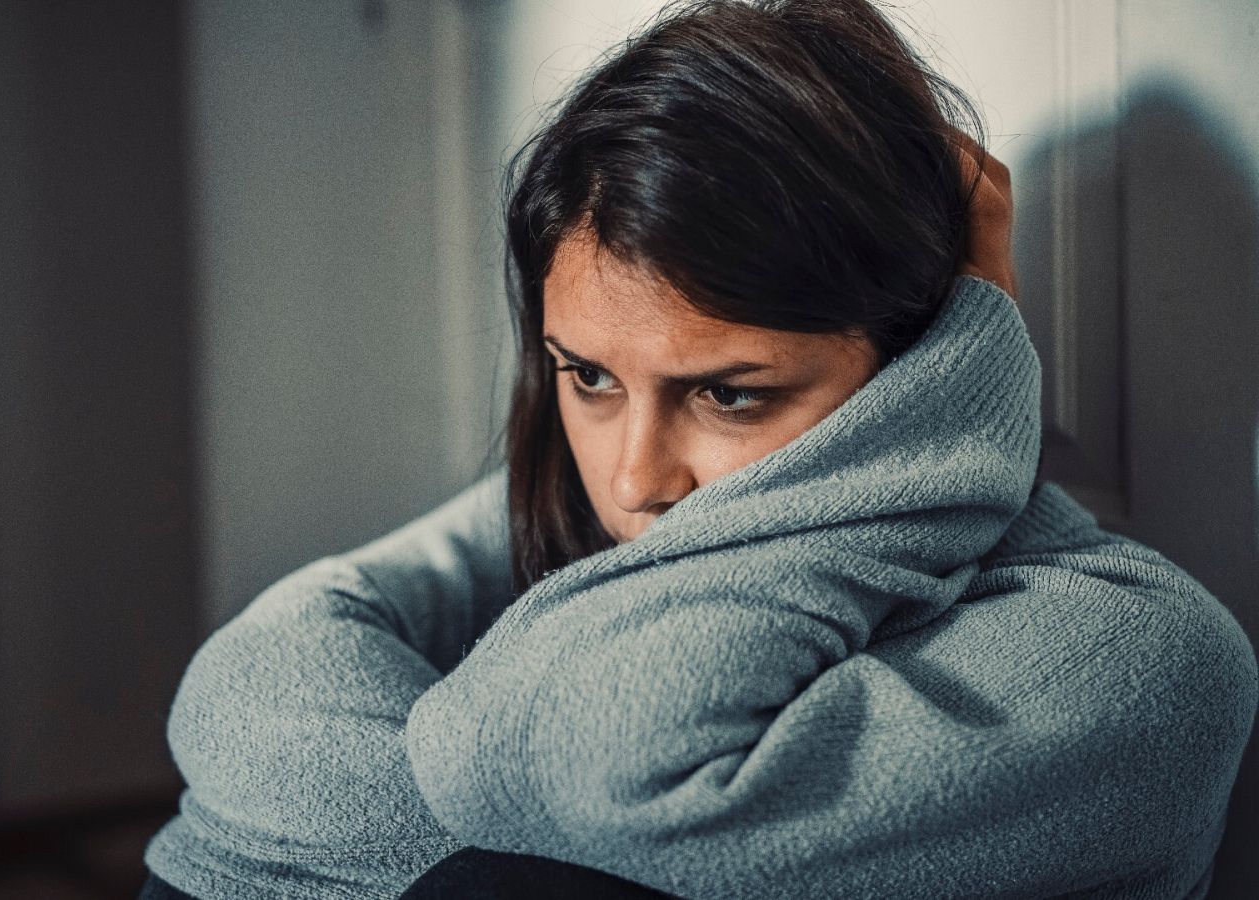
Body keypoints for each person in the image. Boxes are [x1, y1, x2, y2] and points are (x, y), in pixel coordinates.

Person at [139, 1, 1256, 898]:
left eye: (729, 393)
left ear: (931, 368)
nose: (635, 480)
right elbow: (251, 683)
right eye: (588, 376)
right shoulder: (571, 499)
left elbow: (598, 762)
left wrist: (969, 370)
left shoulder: (1143, 656)